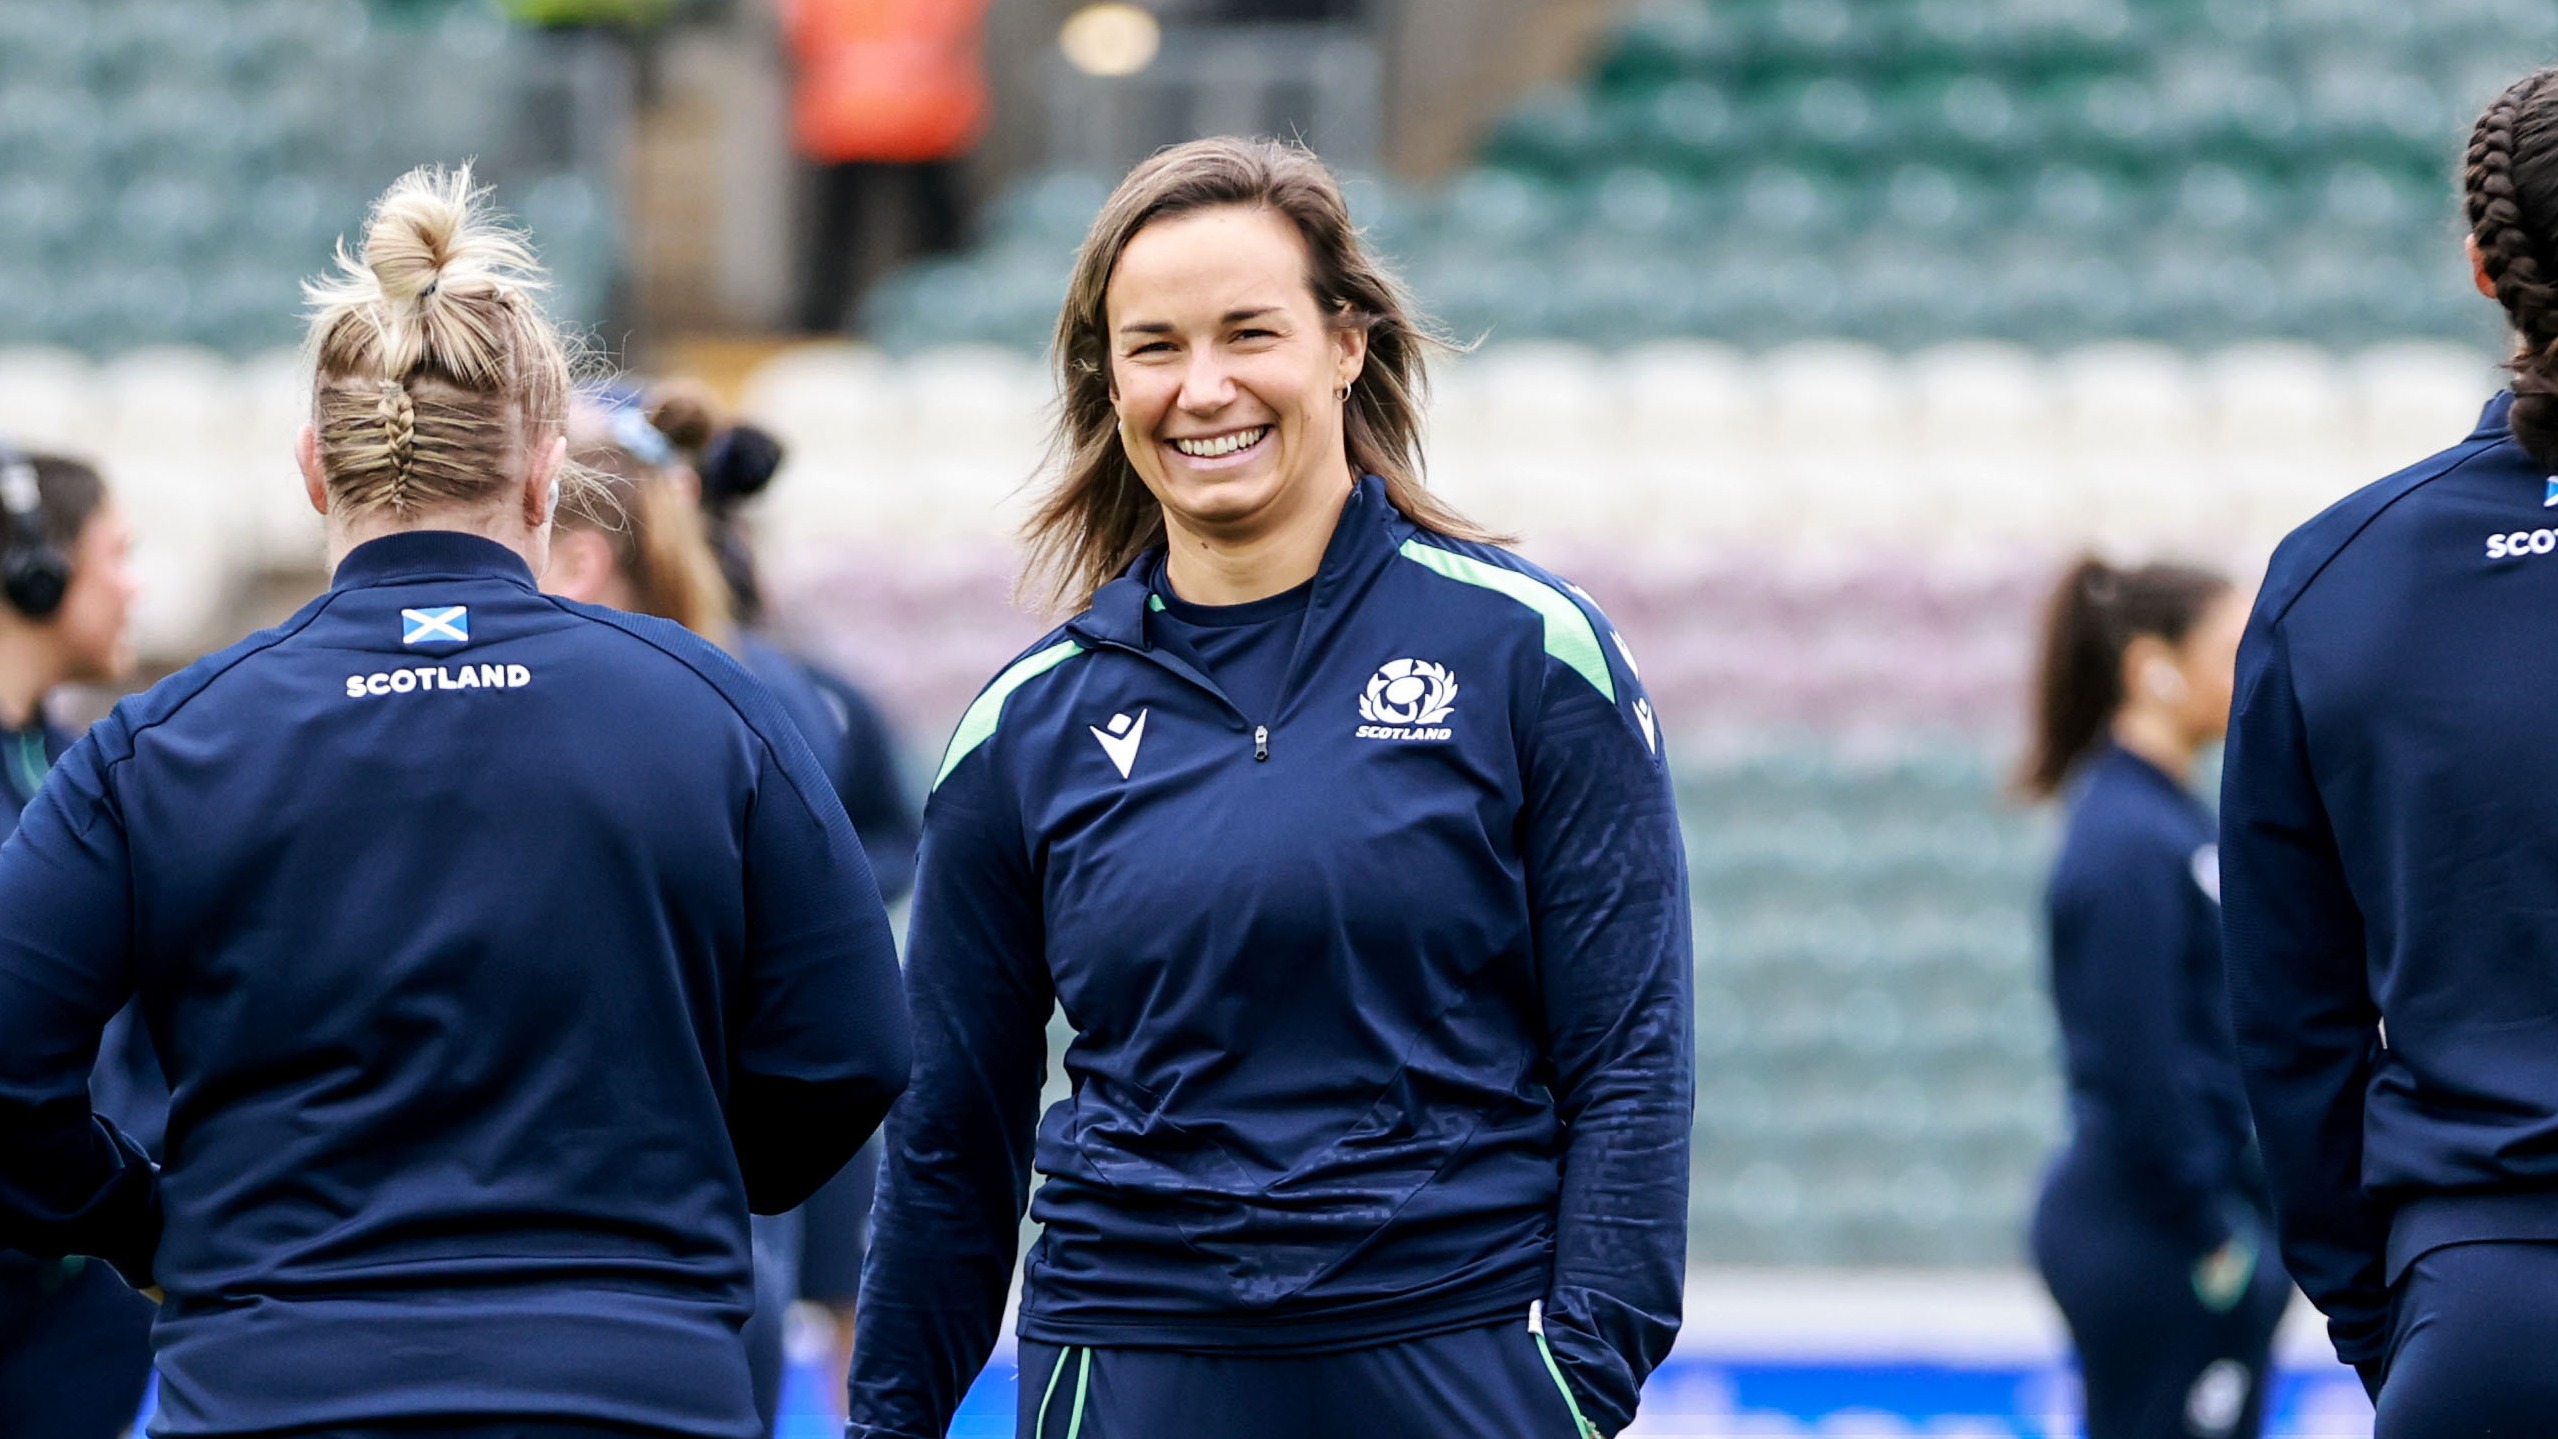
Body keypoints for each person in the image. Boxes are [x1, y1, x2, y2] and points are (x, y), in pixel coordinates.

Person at [0, 165, 911, 1439]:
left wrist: (145, 1219)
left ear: (316, 469)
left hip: (276, 1386)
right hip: (634, 1385)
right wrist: (692, 1183)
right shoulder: (719, 706)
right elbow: (854, 1047)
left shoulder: (158, 741)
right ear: (546, 473)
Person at [847, 137, 1693, 1439]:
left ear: (1344, 343)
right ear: (1107, 380)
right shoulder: (1026, 726)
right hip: (1127, 1368)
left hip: (1452, 1360)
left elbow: (1628, 1058)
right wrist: (887, 1426)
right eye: (1154, 346)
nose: (1203, 388)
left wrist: (1574, 1383)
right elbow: (952, 1140)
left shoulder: (1531, 655)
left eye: (1249, 332)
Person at [2220, 66, 2558, 1433]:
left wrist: (2399, 1310)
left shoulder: (2333, 577)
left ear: (2481, 265)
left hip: (2485, 1311)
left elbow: (2288, 1029)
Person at [644, 383, 920, 1416]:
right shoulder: (592, 684)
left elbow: (886, 831)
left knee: (815, 1274)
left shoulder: (807, 692)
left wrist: (835, 905)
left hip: (768, 1043)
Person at [2018, 558, 2288, 1439]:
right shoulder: (2127, 839)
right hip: (2153, 1237)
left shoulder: (2170, 821)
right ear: (2151, 665)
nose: (2247, 670)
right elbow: (2139, 1058)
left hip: (2179, 1225)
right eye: (2228, 647)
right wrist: (2215, 1228)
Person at [0, 445, 153, 1439]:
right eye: (118, 552)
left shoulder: (78, 769)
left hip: (71, 1298)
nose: (135, 584)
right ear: (39, 574)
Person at [779, 0, 993, 332]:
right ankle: (948, 322)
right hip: (891, 118)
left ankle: (823, 325)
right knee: (921, 240)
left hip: (897, 119)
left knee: (853, 240)